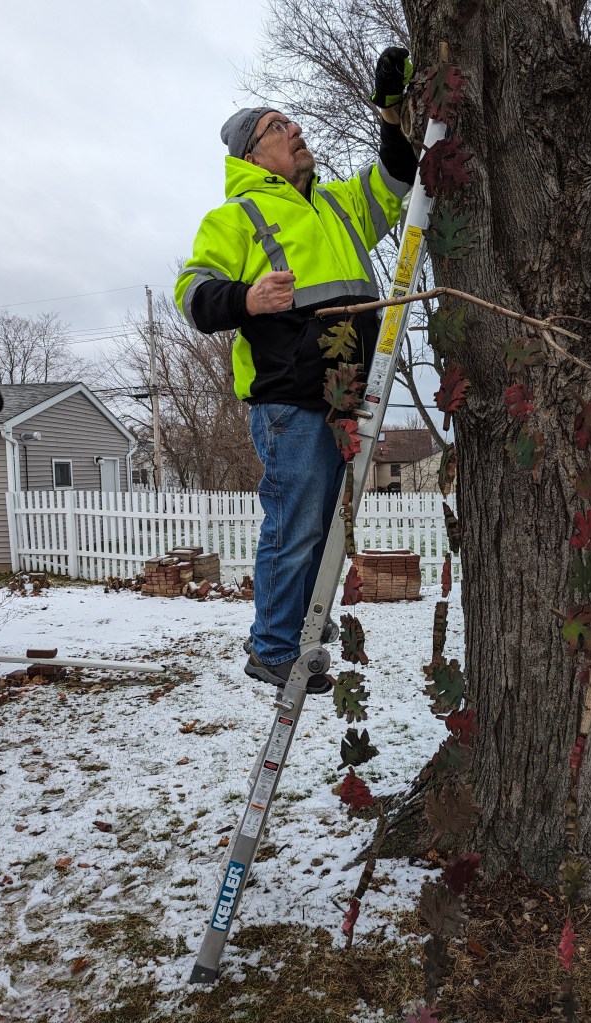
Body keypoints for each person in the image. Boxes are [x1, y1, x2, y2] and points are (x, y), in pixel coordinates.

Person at [175, 47, 417, 695]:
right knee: (296, 524)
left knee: (323, 526)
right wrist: (247, 299)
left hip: (345, 394)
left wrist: (390, 114)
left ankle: (302, 622)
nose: (296, 130)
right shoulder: (236, 217)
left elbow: (397, 179)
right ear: (253, 156)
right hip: (291, 399)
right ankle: (274, 647)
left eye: (292, 122)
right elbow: (192, 294)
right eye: (279, 127)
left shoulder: (337, 206)